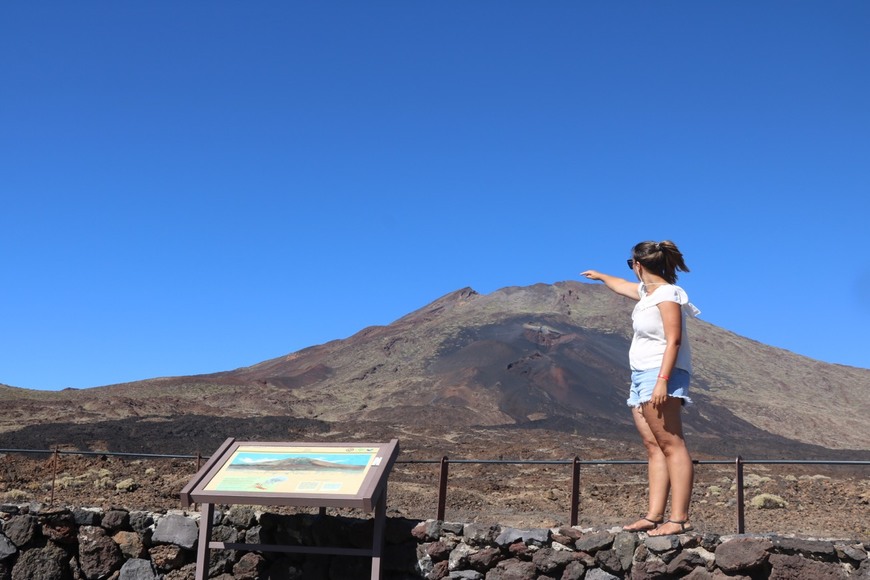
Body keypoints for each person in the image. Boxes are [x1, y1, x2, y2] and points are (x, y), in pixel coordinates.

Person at [581, 240, 700, 536]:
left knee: (672, 445)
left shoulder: (668, 294)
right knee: (654, 447)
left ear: (638, 265)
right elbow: (621, 285)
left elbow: (674, 339)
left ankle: (679, 518)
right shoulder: (646, 294)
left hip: (659, 375)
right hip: (640, 376)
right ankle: (654, 515)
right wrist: (601, 276)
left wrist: (662, 381)